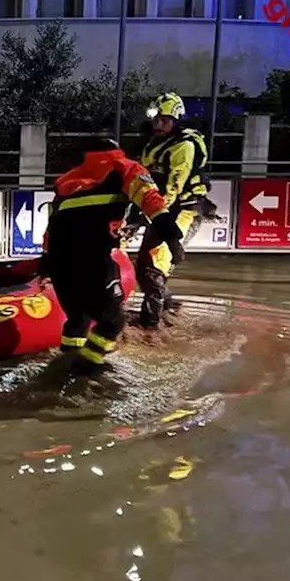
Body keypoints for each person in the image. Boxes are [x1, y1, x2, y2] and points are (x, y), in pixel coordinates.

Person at [38, 138, 183, 376]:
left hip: (58, 258)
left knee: (78, 318)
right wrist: (172, 238)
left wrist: (45, 265)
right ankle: (86, 368)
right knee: (113, 321)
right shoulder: (124, 167)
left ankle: (64, 364)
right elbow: (152, 202)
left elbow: (50, 228)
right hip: (92, 254)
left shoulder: (65, 181)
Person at [134, 92, 213, 327]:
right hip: (162, 212)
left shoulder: (184, 147)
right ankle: (170, 308)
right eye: (156, 119)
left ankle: (151, 328)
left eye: (164, 120)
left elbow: (172, 190)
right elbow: (144, 181)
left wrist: (143, 218)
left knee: (153, 269)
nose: (158, 125)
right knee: (142, 268)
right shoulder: (154, 144)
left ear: (176, 121)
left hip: (183, 211)